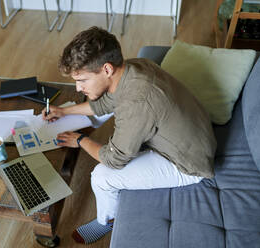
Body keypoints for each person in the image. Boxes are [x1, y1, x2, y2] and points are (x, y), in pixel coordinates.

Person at [42, 26, 217, 245]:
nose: (78, 88)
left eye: (83, 81)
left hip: (188, 163)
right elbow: (106, 102)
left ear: (106, 69)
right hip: (192, 135)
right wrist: (64, 111)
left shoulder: (137, 102)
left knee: (101, 177)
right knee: (115, 118)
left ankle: (106, 220)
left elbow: (113, 160)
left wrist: (80, 140)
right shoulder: (134, 67)